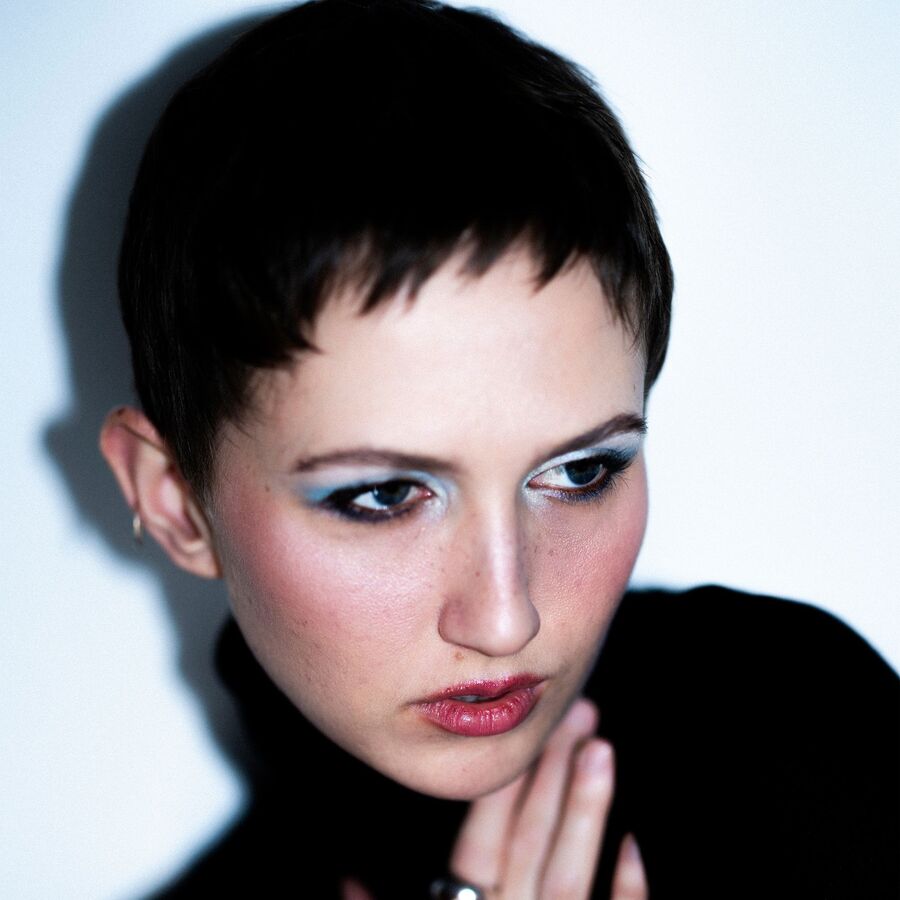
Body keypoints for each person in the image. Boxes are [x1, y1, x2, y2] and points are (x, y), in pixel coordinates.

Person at [98, 1, 898, 897]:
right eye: (384, 495)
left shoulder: (797, 733)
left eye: (580, 472)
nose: (507, 618)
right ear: (175, 502)